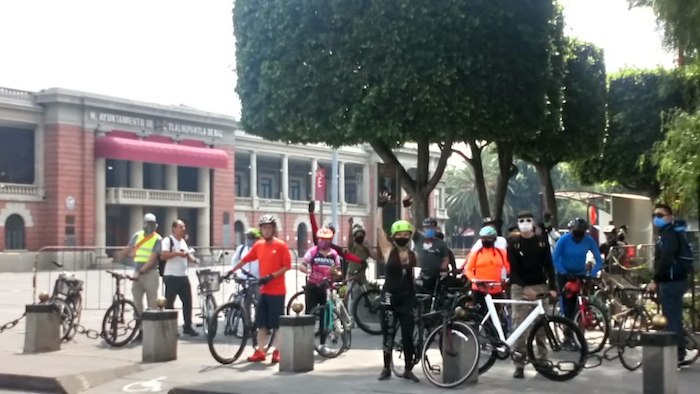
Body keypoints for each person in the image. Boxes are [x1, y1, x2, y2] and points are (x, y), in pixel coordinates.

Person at [230, 214, 291, 364]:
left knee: (277, 324)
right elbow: (246, 259)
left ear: (273, 229)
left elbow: (287, 266)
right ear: (261, 230)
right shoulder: (259, 245)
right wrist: (231, 271)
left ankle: (277, 351)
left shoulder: (281, 245)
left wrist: (271, 276)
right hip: (264, 290)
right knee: (261, 322)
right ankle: (260, 351)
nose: (267, 231)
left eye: (269, 228)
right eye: (264, 228)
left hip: (277, 290)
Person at [507, 211, 557, 378]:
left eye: (528, 220)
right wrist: (524, 287)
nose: (525, 223)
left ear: (534, 222)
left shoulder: (542, 242)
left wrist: (553, 287)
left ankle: (542, 361)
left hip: (540, 286)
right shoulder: (513, 243)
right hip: (520, 288)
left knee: (542, 326)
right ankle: (519, 363)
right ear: (518, 223)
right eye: (521, 221)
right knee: (519, 326)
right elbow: (512, 271)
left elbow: (549, 266)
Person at [376, 192, 419, 382]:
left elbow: (410, 224)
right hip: (389, 298)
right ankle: (386, 367)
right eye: (399, 234)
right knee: (388, 334)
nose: (403, 236)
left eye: (405, 234)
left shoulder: (411, 252)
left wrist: (406, 206)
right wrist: (380, 207)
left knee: (408, 335)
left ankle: (408, 369)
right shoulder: (388, 250)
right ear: (393, 236)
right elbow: (378, 229)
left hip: (407, 298)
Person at [647, 204, 691, 366]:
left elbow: (665, 260)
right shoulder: (669, 233)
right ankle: (679, 350)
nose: (656, 218)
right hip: (675, 280)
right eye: (655, 215)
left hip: (671, 281)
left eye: (660, 214)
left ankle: (676, 354)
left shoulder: (669, 234)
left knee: (671, 319)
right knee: (675, 317)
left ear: (670, 217)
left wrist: (655, 280)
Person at [552, 218, 603, 346]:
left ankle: (580, 335)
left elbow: (599, 259)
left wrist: (591, 274)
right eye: (576, 231)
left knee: (582, 303)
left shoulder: (589, 240)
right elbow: (555, 259)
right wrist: (564, 272)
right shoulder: (564, 240)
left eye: (582, 232)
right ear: (571, 230)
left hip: (580, 273)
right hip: (565, 274)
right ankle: (566, 336)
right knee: (568, 306)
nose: (579, 234)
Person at [120, 213, 162, 343]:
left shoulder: (157, 239)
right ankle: (141, 331)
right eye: (147, 223)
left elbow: (152, 258)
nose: (150, 226)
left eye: (152, 223)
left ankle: (152, 333)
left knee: (152, 305)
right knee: (137, 304)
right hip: (137, 274)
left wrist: (140, 272)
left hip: (150, 274)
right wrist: (122, 255)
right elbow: (128, 249)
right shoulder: (137, 235)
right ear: (144, 223)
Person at [301, 227, 341, 354]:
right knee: (309, 315)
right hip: (312, 286)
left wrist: (335, 274)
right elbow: (302, 264)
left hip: (325, 288)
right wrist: (307, 271)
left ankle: (323, 344)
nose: (323, 242)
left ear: (330, 240)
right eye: (321, 240)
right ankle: (306, 345)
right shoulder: (312, 252)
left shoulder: (334, 254)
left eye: (326, 240)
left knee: (325, 317)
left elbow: (339, 271)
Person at [161, 219, 199, 337]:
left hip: (183, 276)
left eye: (184, 227)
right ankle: (169, 328)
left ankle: (187, 326)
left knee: (187, 302)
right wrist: (177, 253)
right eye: (181, 227)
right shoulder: (168, 240)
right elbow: (163, 256)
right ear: (174, 229)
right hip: (171, 276)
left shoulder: (183, 241)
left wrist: (192, 259)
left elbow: (186, 254)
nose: (184, 229)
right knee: (169, 303)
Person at [464, 226, 510, 315]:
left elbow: (509, 267)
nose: (486, 240)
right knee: (479, 315)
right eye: (483, 238)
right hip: (479, 289)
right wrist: (474, 279)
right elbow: (468, 269)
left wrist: (508, 278)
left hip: (496, 289)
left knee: (496, 315)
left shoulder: (501, 253)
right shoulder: (476, 253)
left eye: (489, 238)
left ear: (494, 239)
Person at [308, 200, 363, 267]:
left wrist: (360, 261)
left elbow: (346, 255)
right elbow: (314, 228)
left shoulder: (333, 248)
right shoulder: (318, 243)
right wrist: (311, 214)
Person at [412, 217, 450, 296]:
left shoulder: (441, 243)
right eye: (427, 227)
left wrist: (443, 269)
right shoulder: (418, 239)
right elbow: (410, 226)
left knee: (435, 295)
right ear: (423, 229)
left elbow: (445, 258)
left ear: (435, 228)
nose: (429, 229)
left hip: (435, 276)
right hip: (419, 275)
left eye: (432, 227)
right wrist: (406, 208)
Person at [346, 218, 372, 312]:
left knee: (367, 295)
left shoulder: (365, 249)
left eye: (361, 234)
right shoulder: (353, 248)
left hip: (362, 277)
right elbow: (349, 239)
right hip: (353, 276)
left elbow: (376, 256)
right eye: (357, 234)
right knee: (353, 298)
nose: (359, 235)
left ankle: (360, 317)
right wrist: (350, 225)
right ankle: (351, 318)